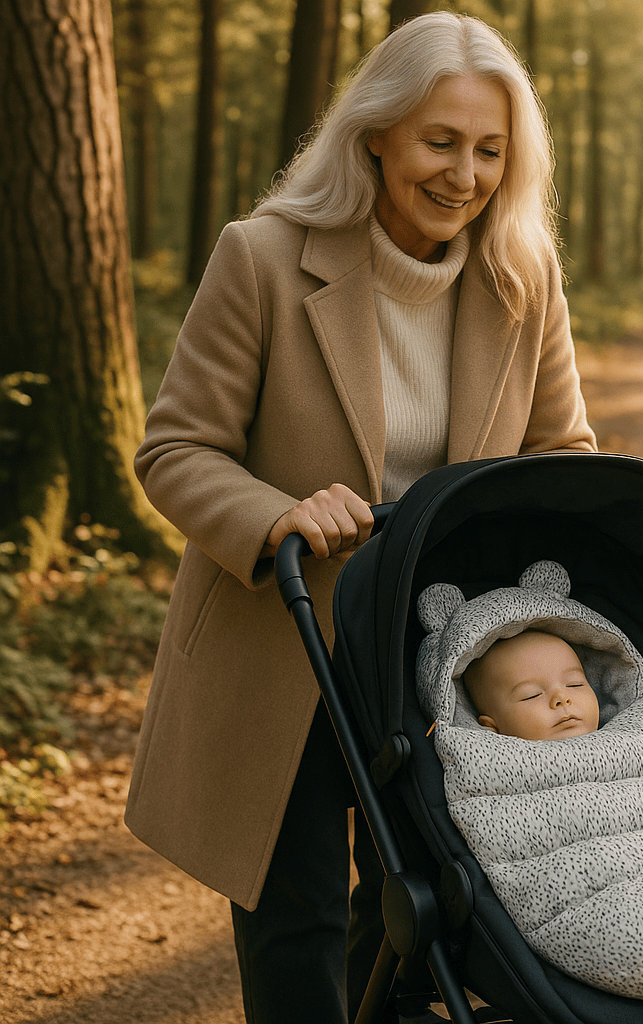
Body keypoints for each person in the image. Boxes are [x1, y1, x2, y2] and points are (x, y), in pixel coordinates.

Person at [124, 11, 596, 1024]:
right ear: (374, 133)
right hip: (280, 638)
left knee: (425, 911)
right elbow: (174, 451)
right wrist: (279, 512)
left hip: (432, 646)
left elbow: (563, 454)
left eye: (488, 150)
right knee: (293, 928)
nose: (462, 174)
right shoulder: (261, 259)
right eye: (439, 141)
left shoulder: (523, 275)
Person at [462, 630, 600, 740]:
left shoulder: (620, 737)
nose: (562, 698)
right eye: (532, 695)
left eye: (574, 684)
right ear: (493, 728)